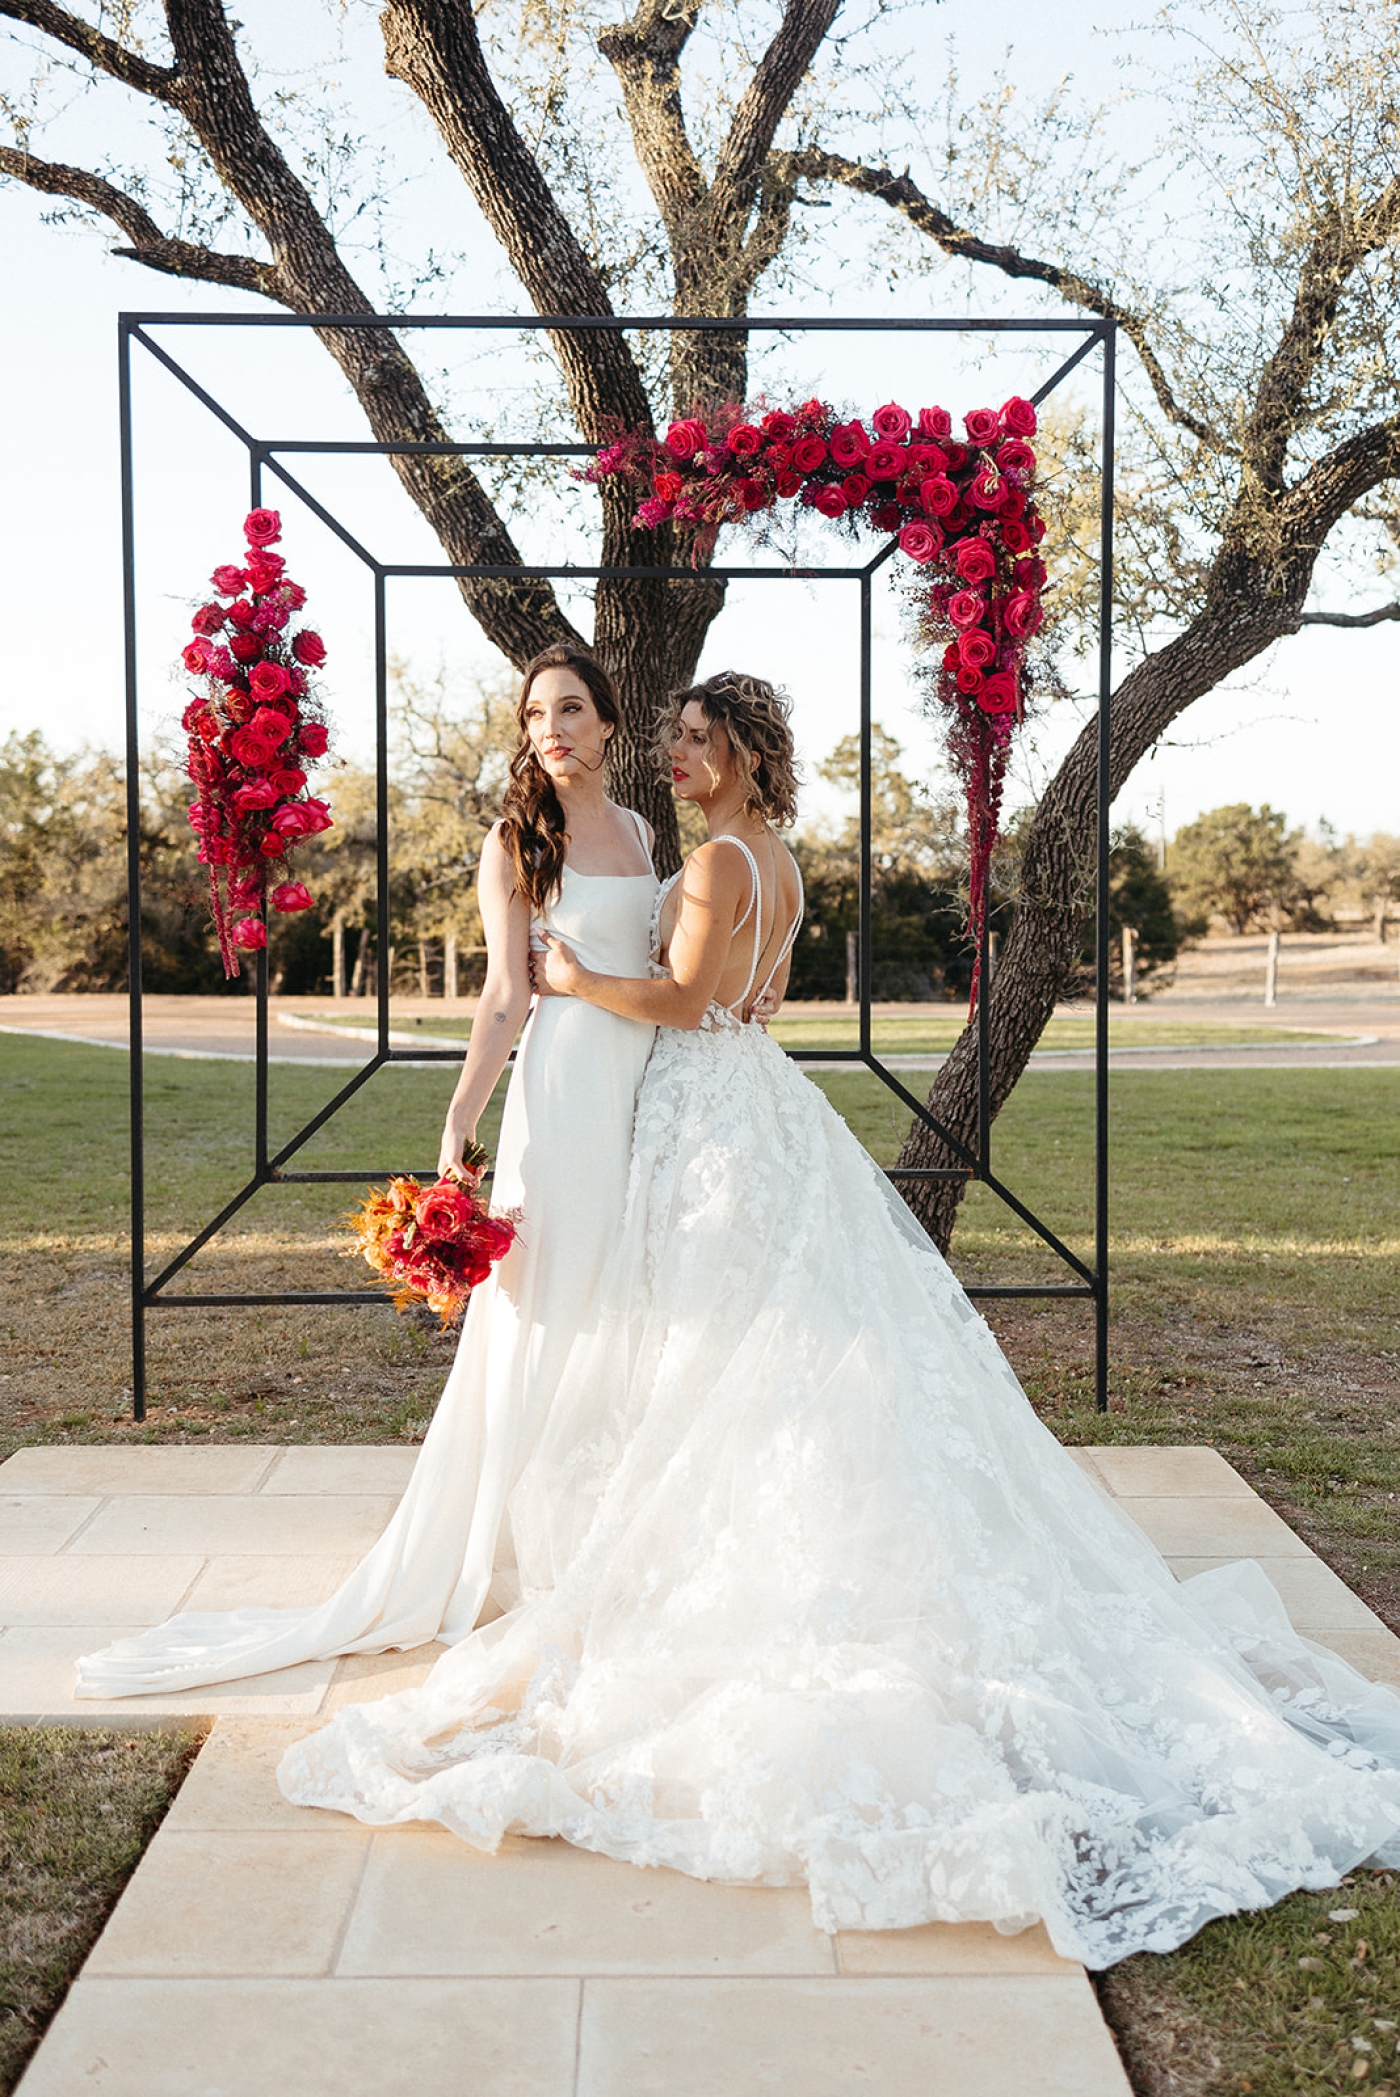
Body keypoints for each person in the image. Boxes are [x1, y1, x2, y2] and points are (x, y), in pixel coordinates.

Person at [279, 669, 1400, 1970]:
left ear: (751, 748)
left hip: (700, 1107)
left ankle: (694, 1557)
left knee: (722, 1350)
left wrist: (582, 978)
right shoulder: (778, 862)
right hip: (752, 1106)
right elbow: (729, 997)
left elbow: (687, 1002)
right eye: (677, 738)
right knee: (764, 1344)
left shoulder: (704, 866)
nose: (677, 754)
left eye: (701, 739)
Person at [75, 642, 661, 1697]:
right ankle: (522, 1545)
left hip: (640, 1085)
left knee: (622, 1292)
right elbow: (501, 997)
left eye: (571, 709)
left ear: (609, 721)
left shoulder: (644, 831)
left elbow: (657, 967)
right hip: (565, 1086)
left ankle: (611, 1524)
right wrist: (459, 1118)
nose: (553, 730)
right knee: (547, 1304)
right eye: (535, 716)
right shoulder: (513, 838)